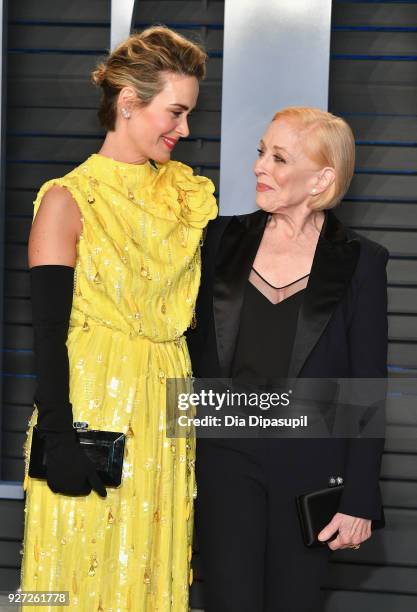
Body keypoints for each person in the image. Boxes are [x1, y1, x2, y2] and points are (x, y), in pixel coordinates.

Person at [21, 26, 217, 611]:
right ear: (129, 103)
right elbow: (47, 330)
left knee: (154, 575)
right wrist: (58, 434)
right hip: (90, 413)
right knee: (77, 574)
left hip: (165, 410)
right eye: (175, 113)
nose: (184, 130)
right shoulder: (67, 198)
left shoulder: (184, 193)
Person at [187, 107, 388, 612]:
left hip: (312, 468)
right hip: (225, 460)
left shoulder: (361, 260)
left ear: (322, 178)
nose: (259, 166)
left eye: (279, 157)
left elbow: (366, 381)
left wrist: (360, 497)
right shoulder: (217, 240)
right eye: (260, 152)